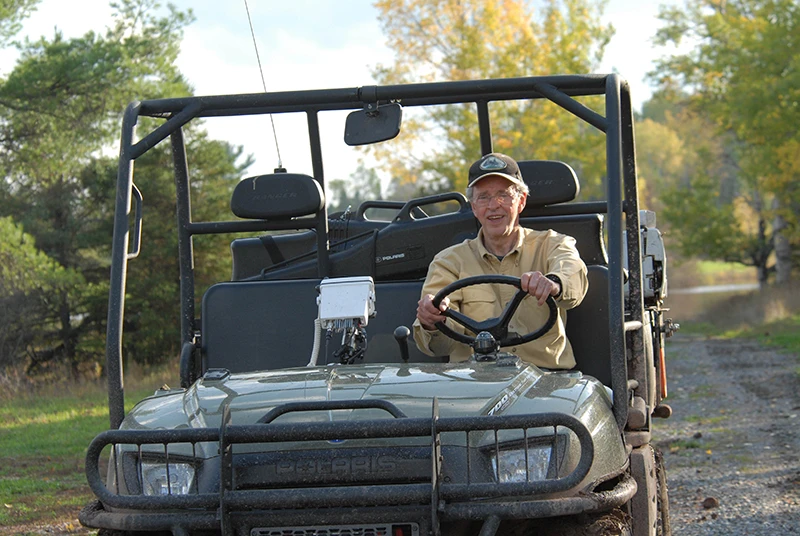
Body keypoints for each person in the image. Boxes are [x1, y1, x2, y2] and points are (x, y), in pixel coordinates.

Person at [413, 152, 588, 369]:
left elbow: (572, 273)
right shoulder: (449, 262)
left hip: (545, 382)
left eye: (503, 195)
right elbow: (441, 346)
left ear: (521, 201)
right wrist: (432, 320)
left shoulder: (552, 244)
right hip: (475, 385)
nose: (494, 205)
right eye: (484, 197)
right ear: (474, 207)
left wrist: (553, 283)